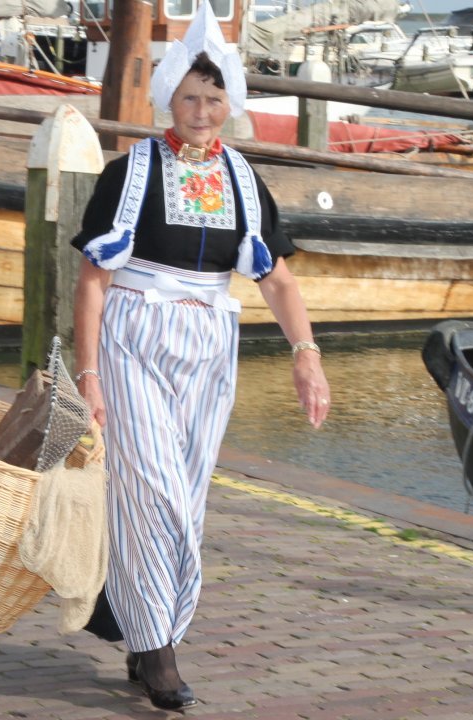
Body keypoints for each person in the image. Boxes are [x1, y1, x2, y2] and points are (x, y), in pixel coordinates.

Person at [70, 3, 331, 711]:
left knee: (184, 499)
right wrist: (88, 373)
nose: (203, 110)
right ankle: (158, 653)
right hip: (134, 335)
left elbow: (275, 277)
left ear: (231, 105)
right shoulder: (129, 174)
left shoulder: (245, 178)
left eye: (216, 98)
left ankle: (134, 620)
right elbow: (93, 280)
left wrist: (306, 356)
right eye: (191, 96)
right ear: (168, 99)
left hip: (211, 346)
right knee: (149, 491)